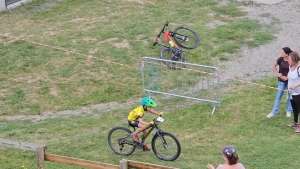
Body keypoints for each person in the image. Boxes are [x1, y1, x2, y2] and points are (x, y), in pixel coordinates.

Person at [267, 47, 293, 118]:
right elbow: (274, 65)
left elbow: (294, 69)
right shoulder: (280, 59)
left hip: (290, 81)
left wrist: (288, 77)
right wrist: (277, 74)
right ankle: (274, 112)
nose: (281, 53)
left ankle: (288, 110)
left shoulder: (291, 60)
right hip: (281, 81)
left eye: (283, 52)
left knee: (289, 96)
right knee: (278, 96)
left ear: (287, 54)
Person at [286, 51, 300, 132]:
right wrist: (286, 78)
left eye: (289, 59)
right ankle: (295, 122)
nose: (288, 60)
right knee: (294, 108)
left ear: (294, 60)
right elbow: (291, 77)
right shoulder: (290, 67)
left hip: (298, 93)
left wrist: (295, 86)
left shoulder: (299, 68)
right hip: (291, 92)